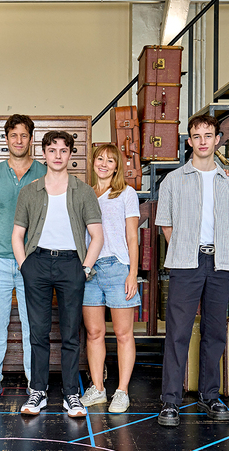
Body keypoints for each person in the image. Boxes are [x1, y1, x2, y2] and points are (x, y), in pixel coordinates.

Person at [155, 114, 229, 427]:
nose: (203, 141)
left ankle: (210, 395)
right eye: (197, 135)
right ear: (189, 141)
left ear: (218, 139)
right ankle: (171, 401)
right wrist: (182, 249)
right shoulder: (173, 180)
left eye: (209, 135)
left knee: (214, 332)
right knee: (177, 332)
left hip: (218, 264)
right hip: (185, 263)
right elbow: (165, 223)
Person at [12, 130, 103, 418]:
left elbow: (97, 236)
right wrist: (25, 266)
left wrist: (85, 269)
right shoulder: (30, 191)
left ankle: (71, 394)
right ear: (44, 154)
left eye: (64, 151)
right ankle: (37, 391)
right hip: (37, 262)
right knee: (37, 332)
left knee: (70, 334)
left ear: (70, 155)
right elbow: (17, 234)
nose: (58, 156)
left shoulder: (84, 191)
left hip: (71, 265)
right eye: (52, 151)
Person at [0, 114, 47, 402]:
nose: (18, 140)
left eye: (24, 135)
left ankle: (35, 383)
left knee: (34, 324)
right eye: (13, 135)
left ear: (31, 139)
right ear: (6, 139)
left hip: (33, 261)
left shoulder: (44, 172)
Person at [79, 144, 140, 414]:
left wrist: (133, 273)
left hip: (118, 268)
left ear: (117, 166)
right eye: (100, 158)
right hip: (89, 270)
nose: (104, 163)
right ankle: (98, 389)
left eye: (110, 160)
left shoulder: (126, 194)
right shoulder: (84, 194)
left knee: (123, 334)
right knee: (94, 334)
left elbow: (132, 237)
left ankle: (122, 391)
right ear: (93, 162)